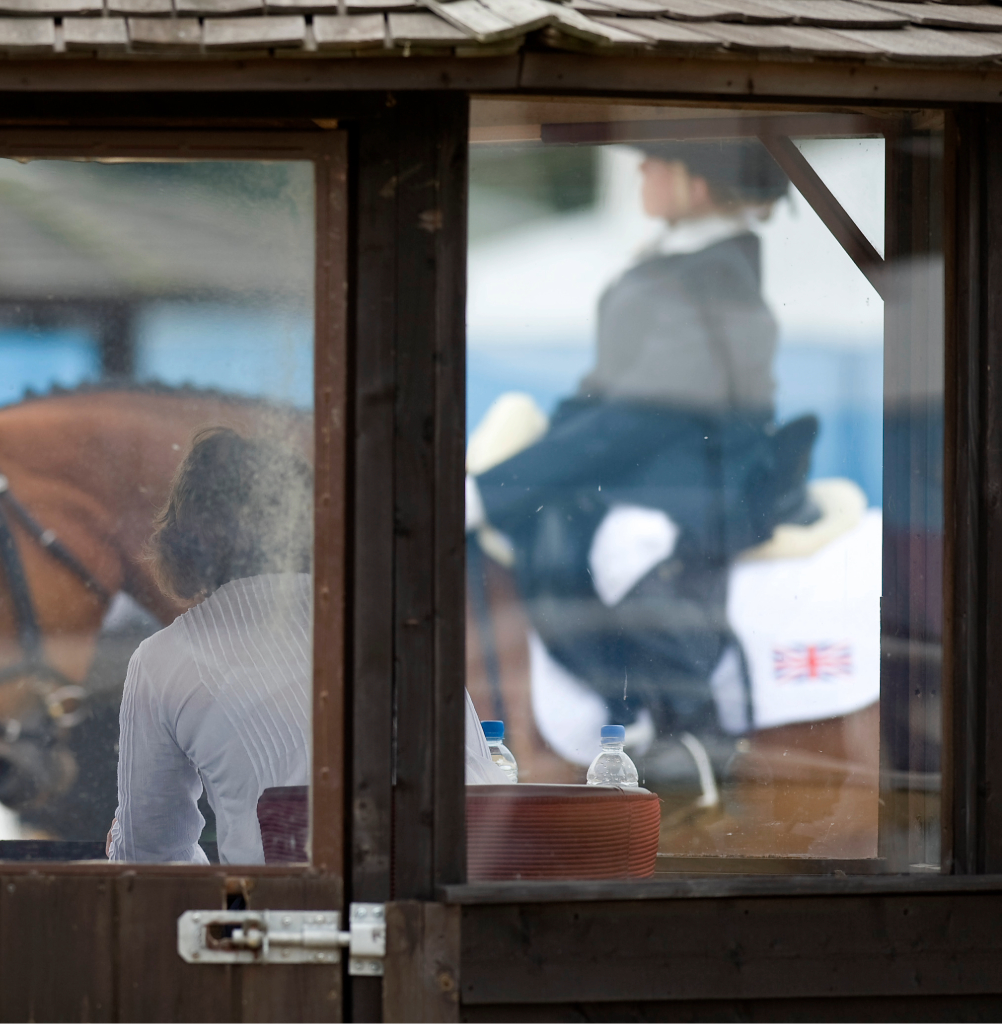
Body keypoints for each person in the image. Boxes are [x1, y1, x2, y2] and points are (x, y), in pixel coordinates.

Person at [468, 140, 812, 785]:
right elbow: (604, 393)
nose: (642, 171)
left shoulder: (715, 272)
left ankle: (694, 735)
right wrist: (522, 466)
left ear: (694, 180)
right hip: (657, 458)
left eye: (655, 161)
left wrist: (497, 490)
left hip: (700, 473)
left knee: (625, 545)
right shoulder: (678, 261)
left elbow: (647, 411)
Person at [109, 429, 505, 865]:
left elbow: (148, 857)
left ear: (185, 541)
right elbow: (481, 792)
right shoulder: (395, 623)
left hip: (289, 920)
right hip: (456, 897)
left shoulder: (160, 661)